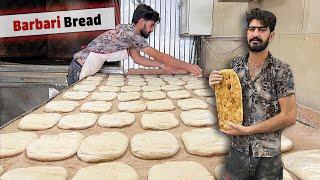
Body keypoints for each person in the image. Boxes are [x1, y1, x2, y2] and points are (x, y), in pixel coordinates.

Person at [209, 8, 296, 179]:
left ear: (271, 35)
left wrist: (248, 130)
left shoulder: (281, 70)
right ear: (246, 33)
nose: (255, 34)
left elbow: (289, 116)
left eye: (262, 30)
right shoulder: (235, 66)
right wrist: (216, 87)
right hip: (237, 152)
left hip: (268, 157)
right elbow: (229, 104)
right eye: (252, 29)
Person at [67, 4, 202, 85]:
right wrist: (189, 66)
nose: (151, 30)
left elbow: (137, 58)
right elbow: (160, 56)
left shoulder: (129, 32)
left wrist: (161, 66)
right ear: (142, 21)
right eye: (151, 25)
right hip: (79, 68)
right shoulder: (132, 35)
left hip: (83, 66)